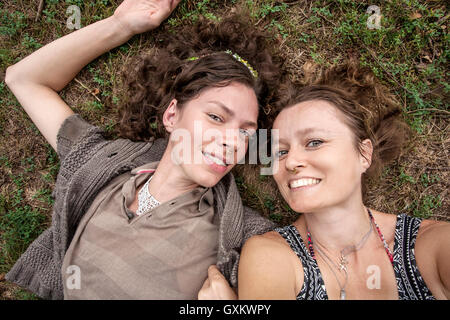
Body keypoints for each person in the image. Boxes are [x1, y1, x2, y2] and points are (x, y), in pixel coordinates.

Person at [4, 0, 283, 299]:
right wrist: (120, 24)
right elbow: (23, 80)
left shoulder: (245, 235)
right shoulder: (99, 166)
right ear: (172, 115)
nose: (233, 141)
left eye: (245, 131)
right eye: (216, 117)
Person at [198, 61, 450, 300]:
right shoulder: (271, 256)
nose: (291, 162)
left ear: (364, 154)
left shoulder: (432, 246)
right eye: (281, 151)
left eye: (314, 142)